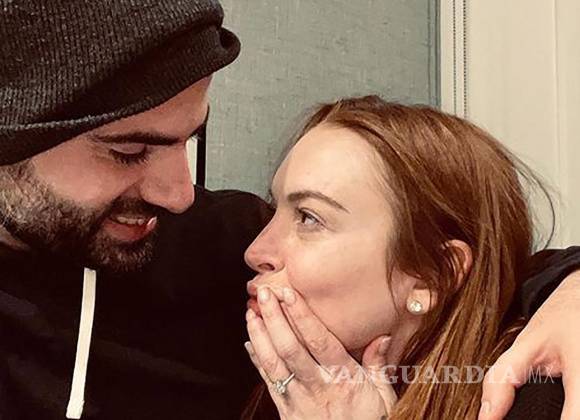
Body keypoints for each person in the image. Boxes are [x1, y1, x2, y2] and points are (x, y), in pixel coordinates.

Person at [1, 1, 580, 419]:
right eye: (128, 151)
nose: (180, 196)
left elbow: (488, 268)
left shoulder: (218, 245)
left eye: (189, 141)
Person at [240, 96, 575, 419]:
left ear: (432, 277)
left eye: (308, 217)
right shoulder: (246, 359)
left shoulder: (538, 398)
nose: (254, 252)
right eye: (274, 208)